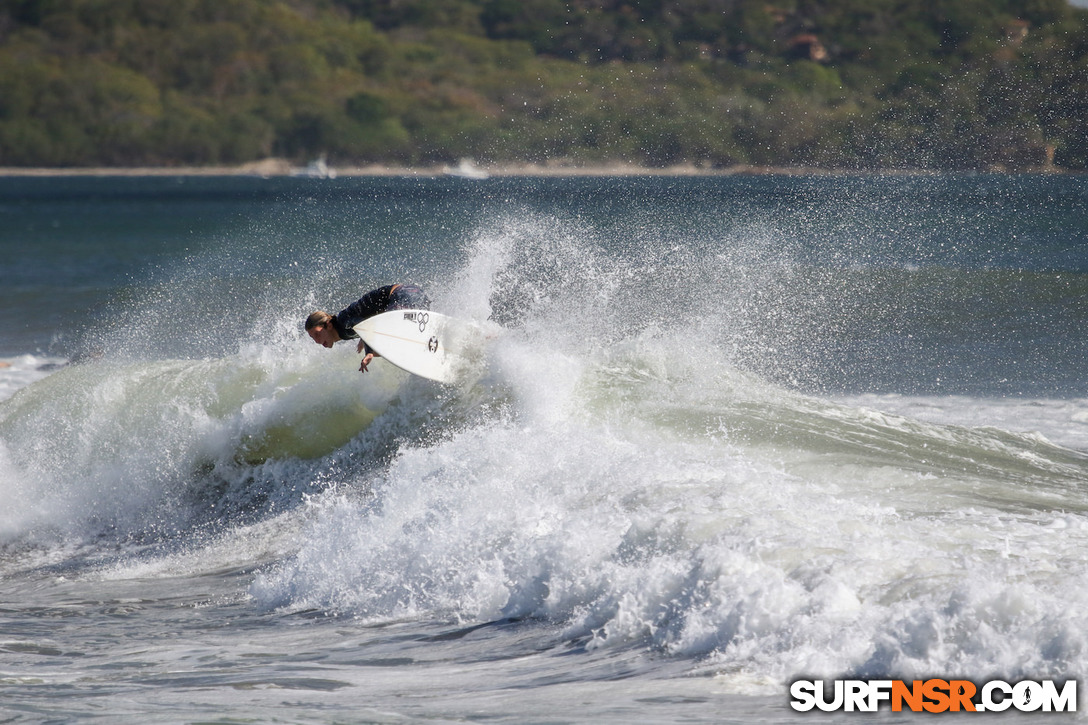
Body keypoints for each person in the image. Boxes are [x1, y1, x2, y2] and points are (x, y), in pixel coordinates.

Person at [305, 283, 429, 372]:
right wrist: (363, 338)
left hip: (403, 294)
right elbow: (365, 322)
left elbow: (366, 324)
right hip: (413, 295)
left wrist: (369, 352)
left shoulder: (343, 322)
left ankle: (424, 343)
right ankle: (429, 343)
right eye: (312, 338)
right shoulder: (344, 328)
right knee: (385, 345)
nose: (317, 341)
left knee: (388, 338)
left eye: (317, 334)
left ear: (329, 325)